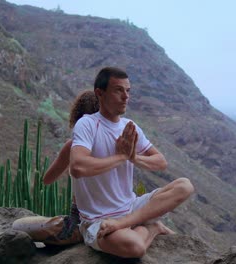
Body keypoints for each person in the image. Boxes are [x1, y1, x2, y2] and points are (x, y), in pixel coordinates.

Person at [69, 66, 194, 258]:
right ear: (100, 93)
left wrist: (134, 158)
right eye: (118, 90)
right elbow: (78, 167)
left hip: (130, 207)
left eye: (128, 91)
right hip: (97, 219)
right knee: (134, 247)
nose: (126, 96)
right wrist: (121, 157)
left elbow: (161, 162)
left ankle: (127, 222)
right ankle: (152, 228)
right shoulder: (87, 124)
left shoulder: (130, 126)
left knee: (185, 186)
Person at [12, 90, 99, 245]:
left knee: (18, 225)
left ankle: (82, 234)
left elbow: (47, 179)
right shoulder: (118, 143)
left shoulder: (73, 146)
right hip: (116, 214)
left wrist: (68, 165)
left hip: (82, 219)